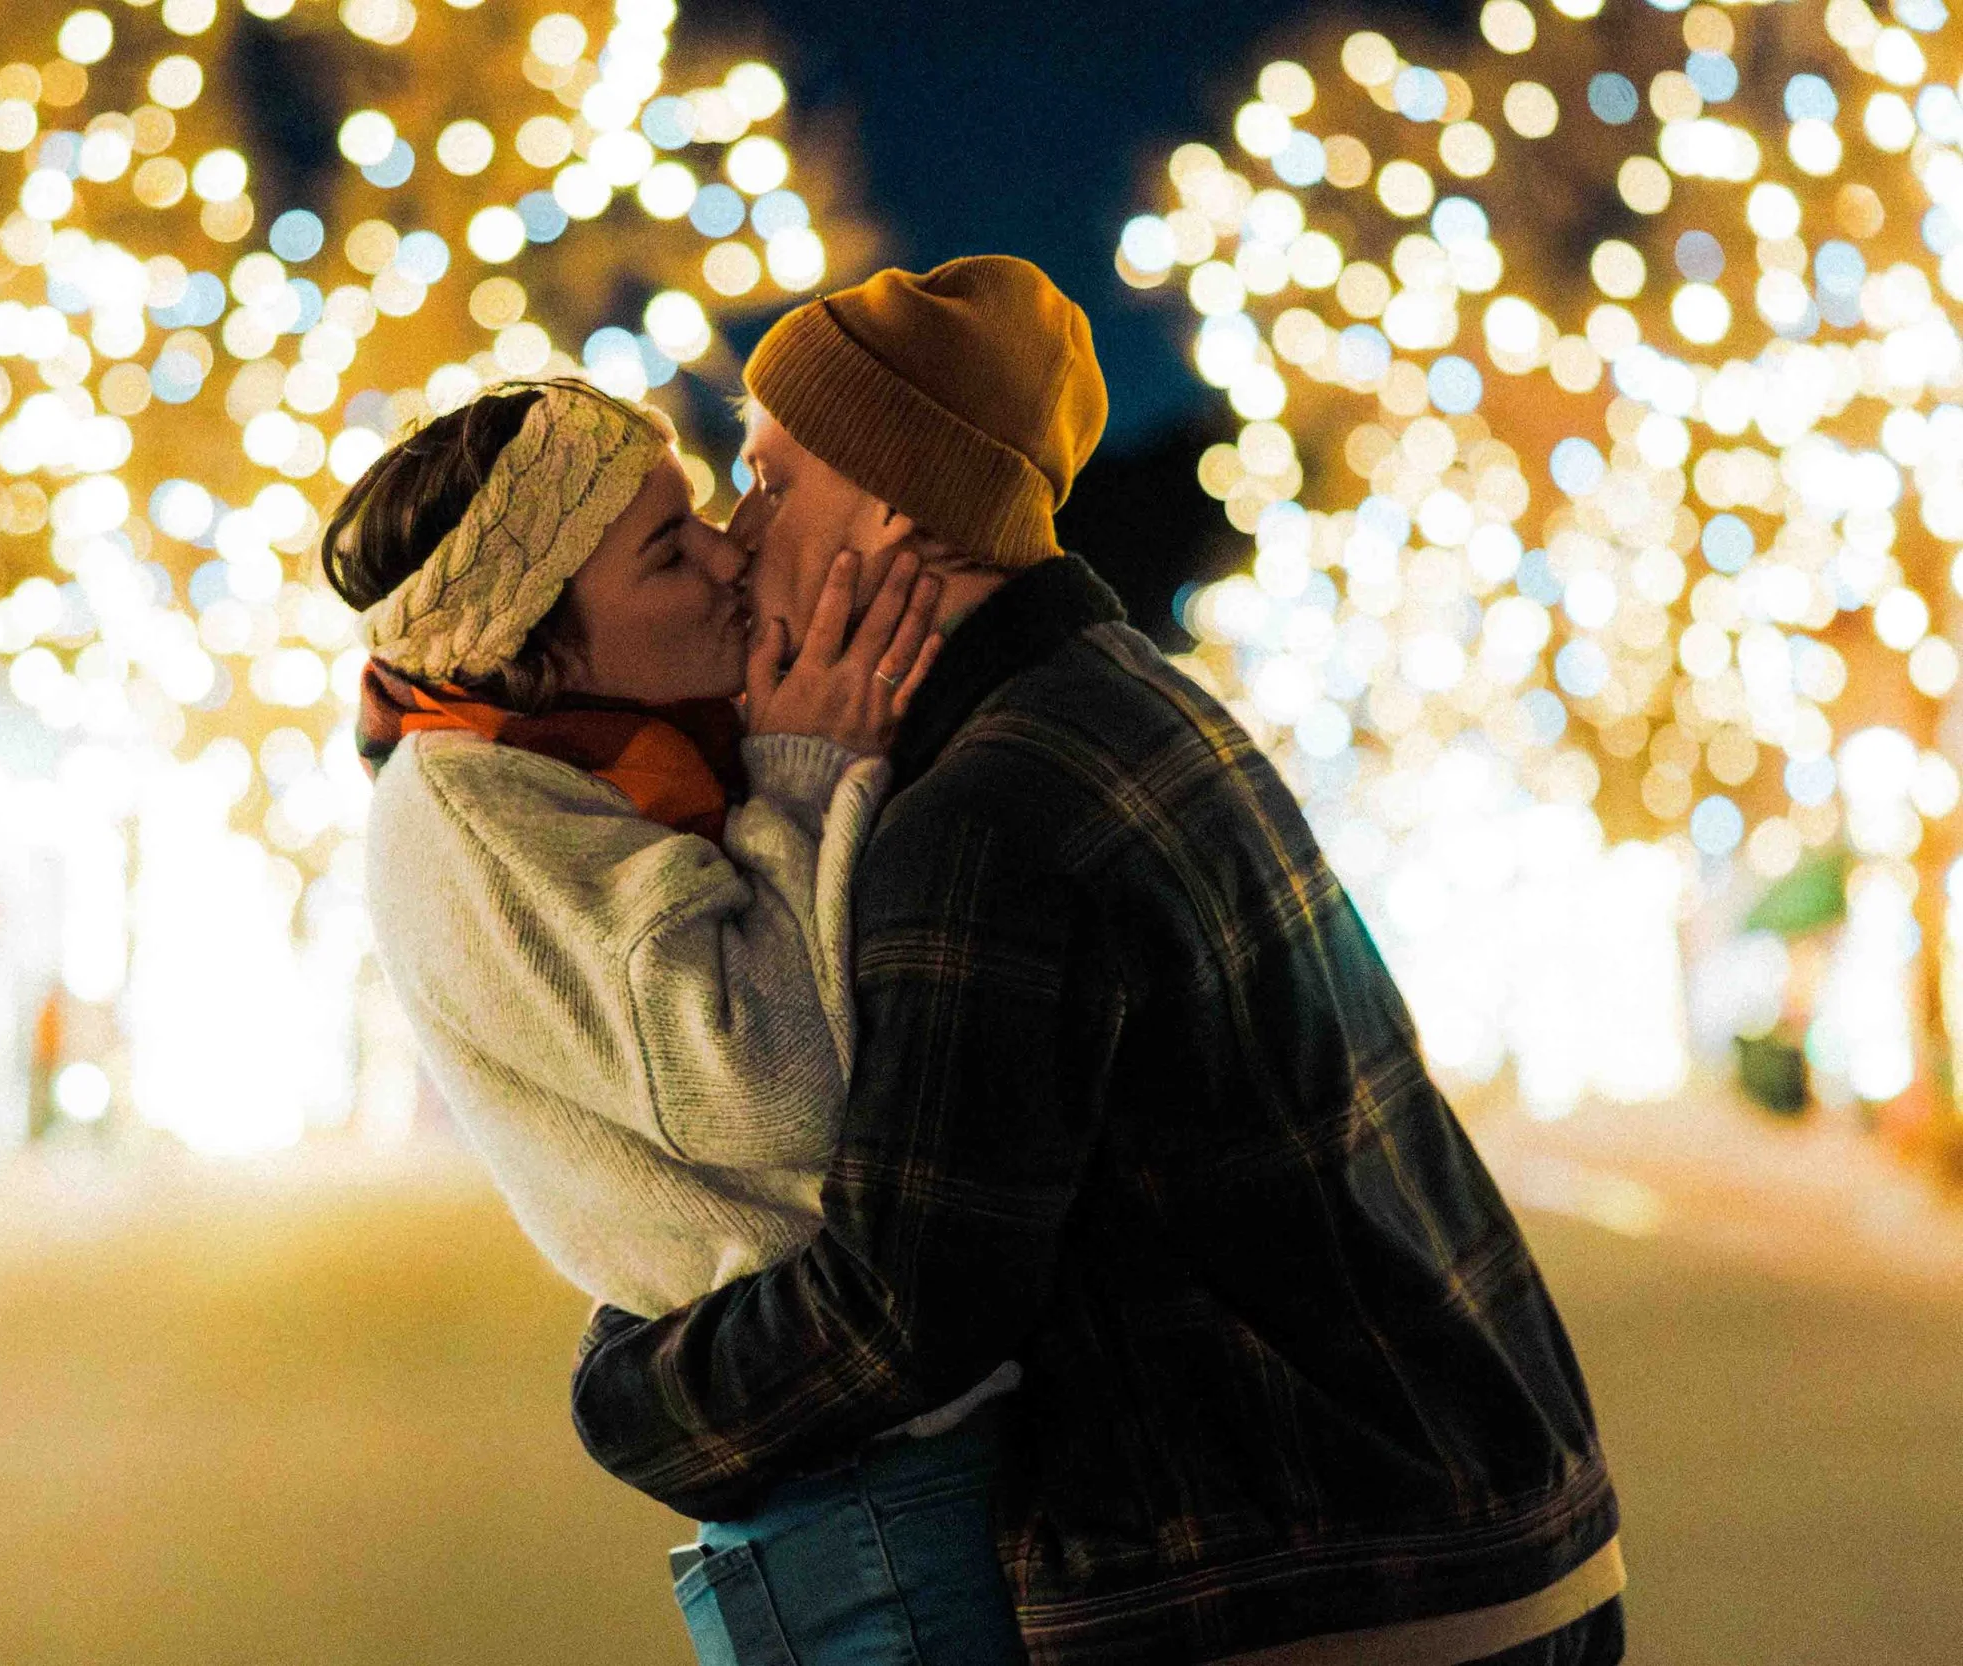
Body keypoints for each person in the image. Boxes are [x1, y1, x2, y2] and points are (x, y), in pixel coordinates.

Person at [570, 256, 1627, 1665]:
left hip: (1330, 1592)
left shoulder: (986, 815)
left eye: (769, 483)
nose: (737, 537)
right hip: (1486, 1542)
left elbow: (901, 1311)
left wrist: (629, 1385)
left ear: (894, 504)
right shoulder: (1126, 699)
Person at [331, 378, 1029, 1662]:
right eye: (667, 551)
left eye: (701, 512)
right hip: (868, 1497)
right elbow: (767, 1083)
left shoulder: (604, 753)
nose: (727, 556)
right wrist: (807, 770)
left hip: (882, 1460)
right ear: (534, 645)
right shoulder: (479, 806)